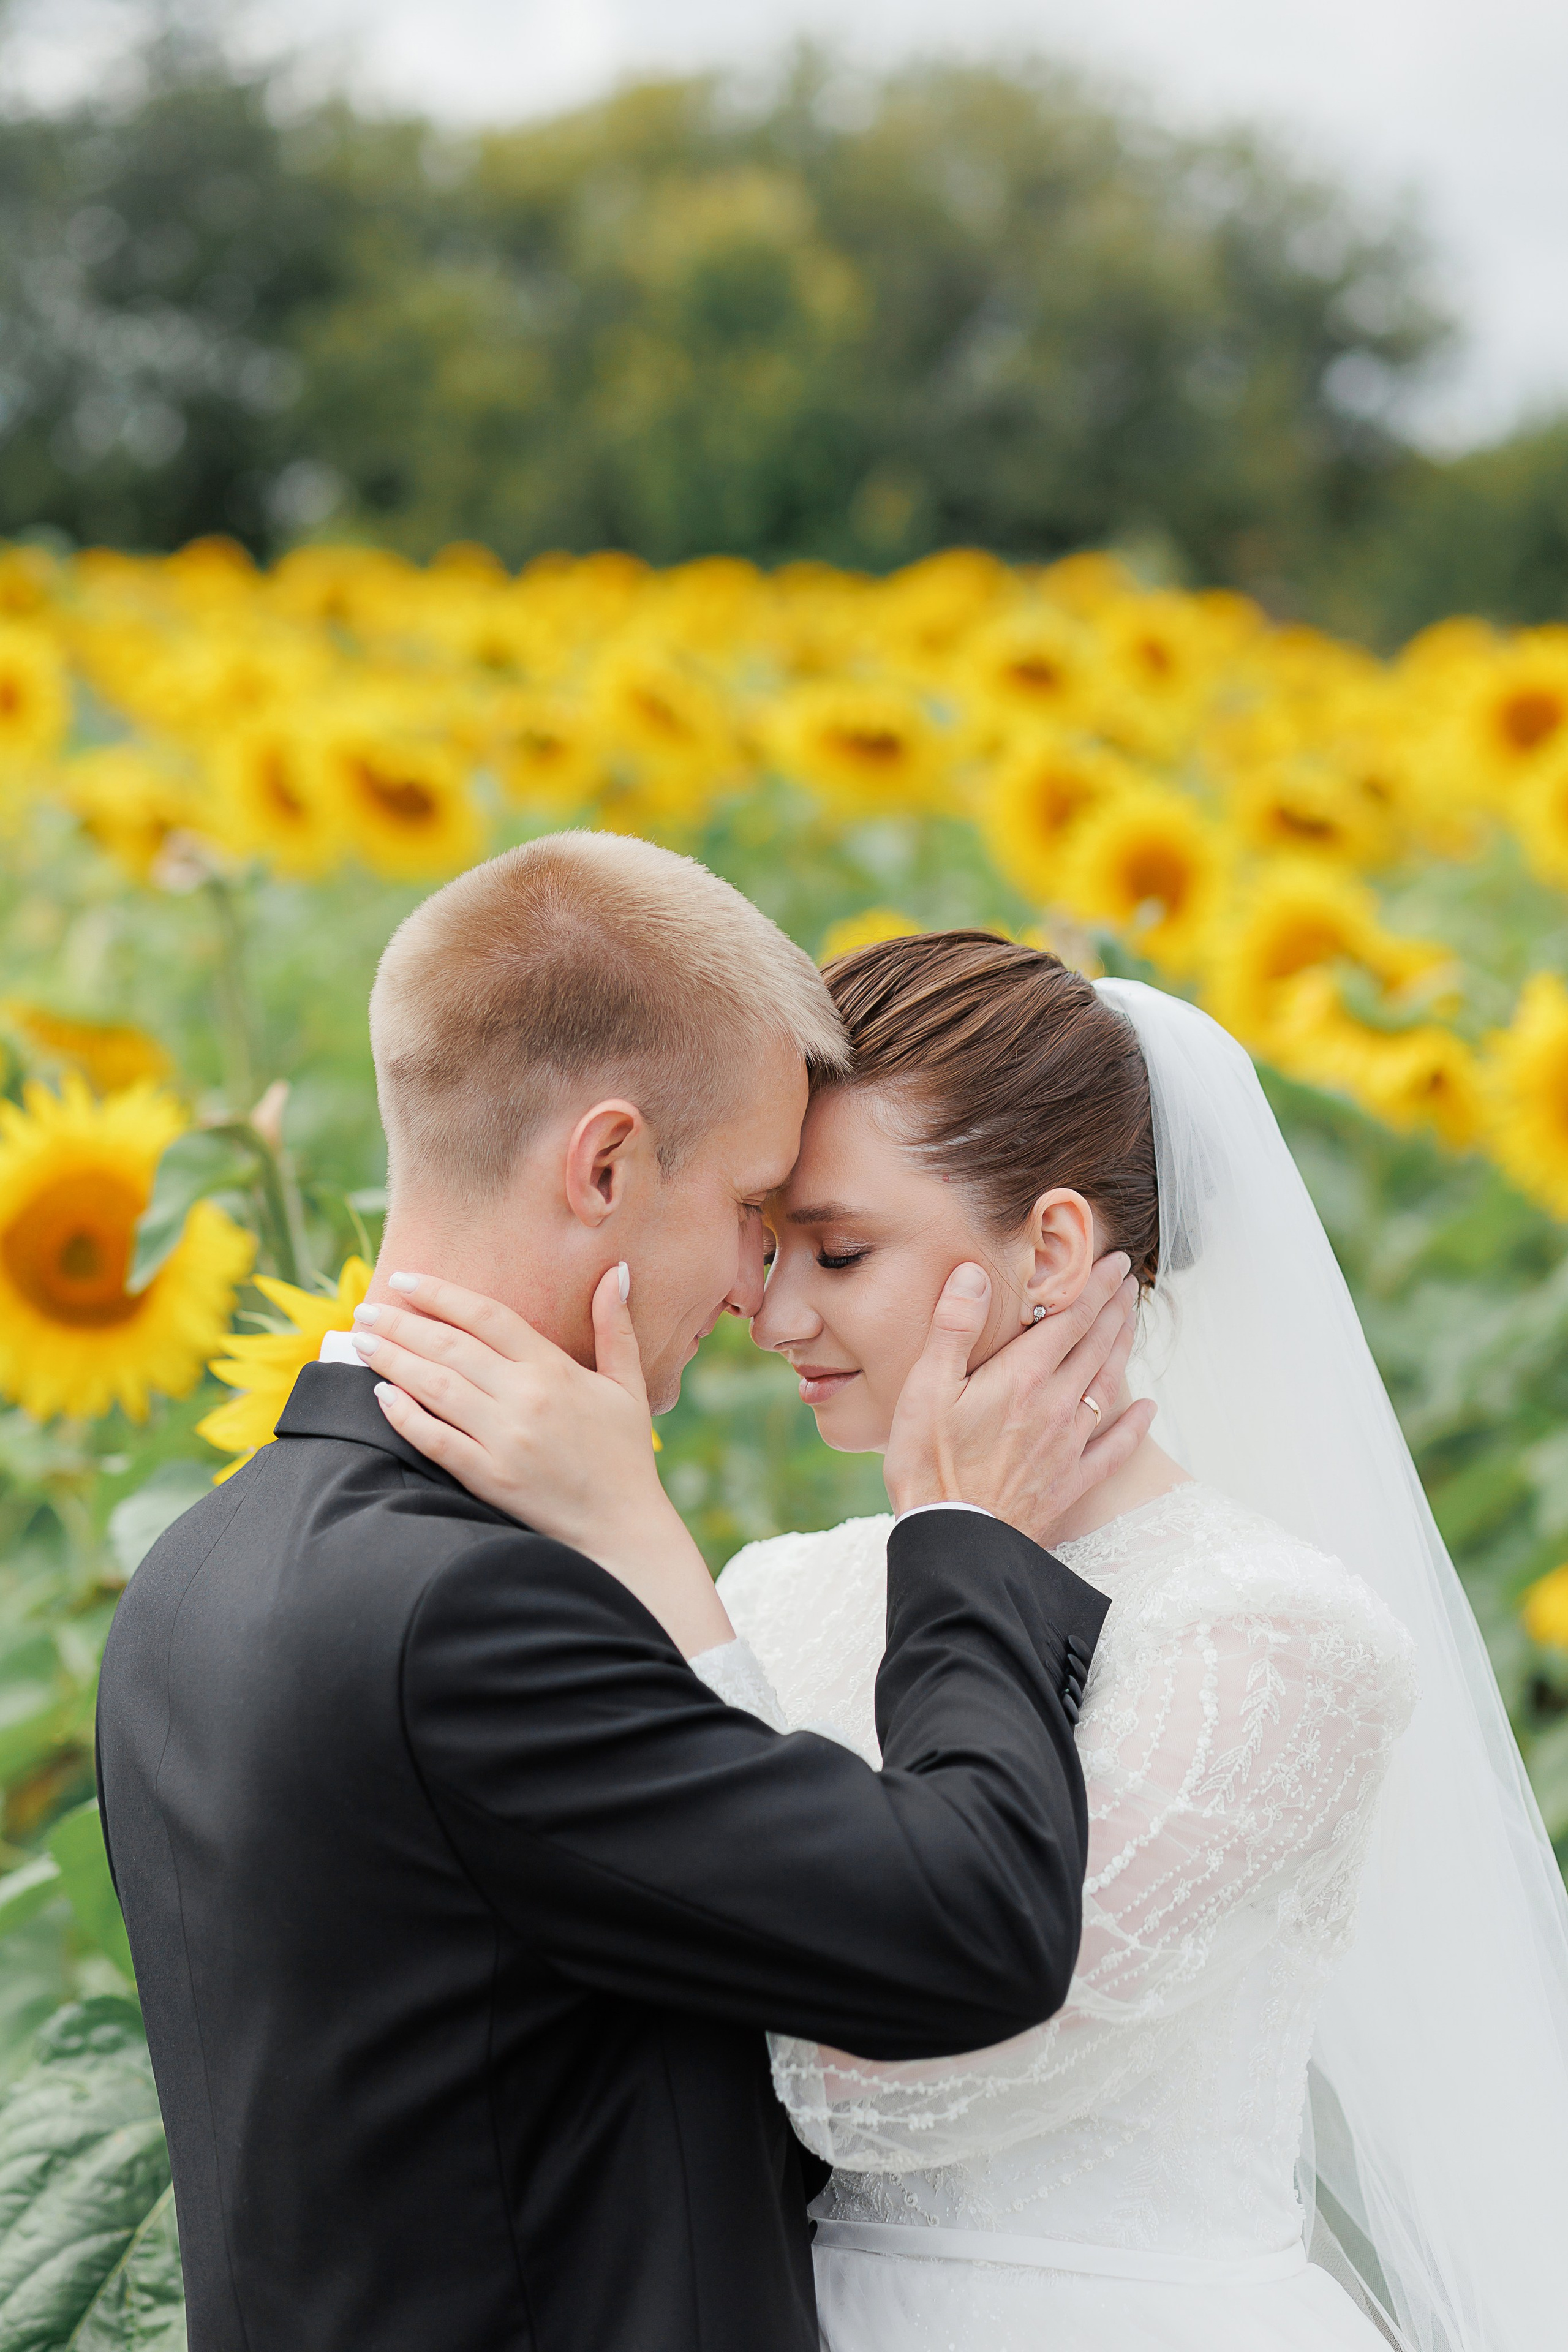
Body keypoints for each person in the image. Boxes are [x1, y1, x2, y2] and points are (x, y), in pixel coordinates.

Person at [379, 929, 1568, 2352]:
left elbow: (886, 2072)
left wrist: (638, 1544)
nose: (771, 1309)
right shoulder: (772, 1590)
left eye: (838, 1249)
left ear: (1053, 1249)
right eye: (764, 1244)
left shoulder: (1275, 1639)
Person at [94, 842, 1156, 2352]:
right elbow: (963, 1934)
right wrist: (969, 1536)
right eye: (746, 1206)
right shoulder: (468, 1615)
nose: (752, 1289)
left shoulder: (201, 1566)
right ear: (602, 1167)